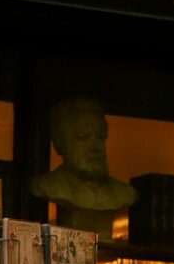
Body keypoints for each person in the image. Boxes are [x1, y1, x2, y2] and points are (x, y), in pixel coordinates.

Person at [29, 97, 137, 237]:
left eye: (100, 137)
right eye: (83, 137)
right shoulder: (45, 186)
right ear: (60, 144)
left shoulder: (124, 193)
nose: (95, 147)